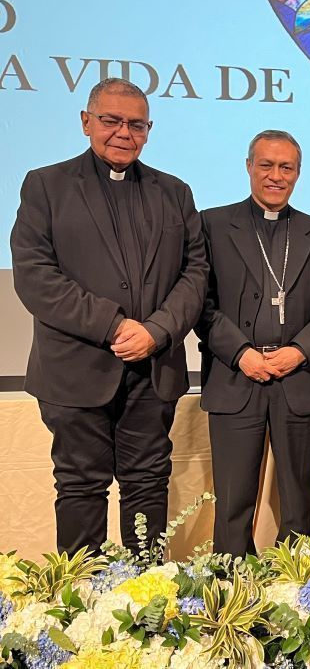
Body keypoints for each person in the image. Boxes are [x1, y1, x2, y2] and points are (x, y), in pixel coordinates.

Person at [10, 77, 208, 555]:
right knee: (80, 488)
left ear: (148, 130)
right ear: (86, 122)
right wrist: (115, 325)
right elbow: (35, 276)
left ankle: (146, 605)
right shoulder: (47, 185)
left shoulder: (174, 192)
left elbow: (195, 271)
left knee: (147, 485)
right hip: (77, 370)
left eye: (136, 124)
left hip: (151, 369)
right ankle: (85, 609)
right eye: (111, 121)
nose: (123, 132)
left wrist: (156, 331)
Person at [196, 130, 310, 556]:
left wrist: (298, 351)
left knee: (299, 500)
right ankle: (231, 590)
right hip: (234, 376)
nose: (276, 176)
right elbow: (199, 302)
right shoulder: (213, 224)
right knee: (234, 500)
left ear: (298, 173)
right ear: (248, 166)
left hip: (297, 378)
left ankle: (294, 588)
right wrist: (241, 354)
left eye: (286, 167)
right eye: (266, 165)